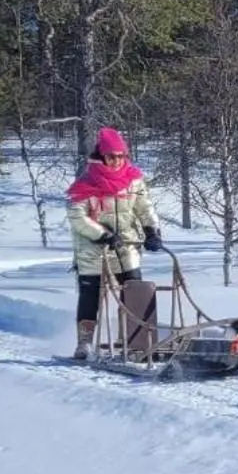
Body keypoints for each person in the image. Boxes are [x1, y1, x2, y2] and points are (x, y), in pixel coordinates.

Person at [67, 127, 164, 360]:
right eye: (111, 157)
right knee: (91, 295)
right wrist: (103, 234)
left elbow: (144, 207)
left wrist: (152, 231)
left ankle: (133, 341)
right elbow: (77, 217)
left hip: (126, 245)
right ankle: (85, 343)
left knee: (134, 291)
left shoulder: (133, 180)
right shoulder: (86, 183)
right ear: (101, 157)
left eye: (120, 156)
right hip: (93, 248)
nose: (116, 162)